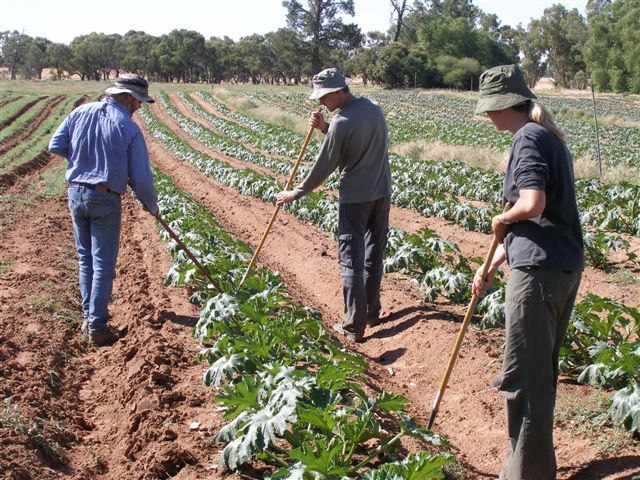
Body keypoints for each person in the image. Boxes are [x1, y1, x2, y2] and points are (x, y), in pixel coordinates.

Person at [471, 65, 584, 479]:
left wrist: (500, 221)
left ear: (504, 107)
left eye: (490, 109)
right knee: (539, 372)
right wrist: (493, 263)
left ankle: (527, 474)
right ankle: (530, 465)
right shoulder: (549, 136)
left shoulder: (528, 137)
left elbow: (531, 205)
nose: (487, 117)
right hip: (558, 266)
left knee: (524, 378)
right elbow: (534, 221)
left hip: (538, 275)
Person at [276, 68, 392, 343]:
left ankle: (353, 326)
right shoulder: (373, 109)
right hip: (381, 192)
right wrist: (324, 128)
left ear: (340, 92)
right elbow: (352, 140)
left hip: (355, 199)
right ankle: (372, 312)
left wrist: (298, 191)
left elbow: (325, 163)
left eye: (324, 97)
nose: (321, 103)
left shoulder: (341, 122)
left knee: (351, 260)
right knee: (373, 254)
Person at [48, 74, 159, 347]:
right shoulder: (129, 128)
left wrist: (83, 161)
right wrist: (151, 205)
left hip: (76, 192)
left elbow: (56, 145)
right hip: (104, 199)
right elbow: (141, 178)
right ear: (129, 97)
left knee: (85, 259)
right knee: (102, 264)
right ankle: (97, 327)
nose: (140, 107)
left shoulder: (80, 112)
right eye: (139, 102)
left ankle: (89, 318)